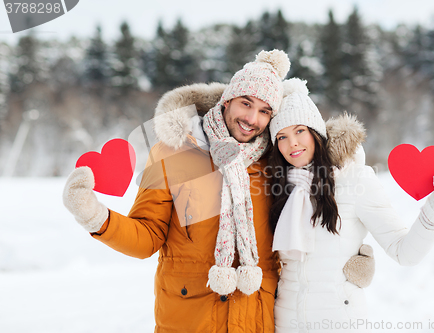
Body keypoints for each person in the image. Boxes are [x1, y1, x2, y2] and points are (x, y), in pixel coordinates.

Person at [62, 50, 373, 332]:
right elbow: (146, 237)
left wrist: (348, 261)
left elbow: (311, 222)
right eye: (246, 104)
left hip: (256, 318)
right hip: (189, 319)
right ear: (228, 100)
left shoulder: (276, 162)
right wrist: (95, 216)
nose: (252, 119)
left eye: (265, 111)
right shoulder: (172, 152)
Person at [268, 79, 434, 333]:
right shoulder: (280, 188)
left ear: (316, 132)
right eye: (282, 136)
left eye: (300, 131)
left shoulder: (355, 180)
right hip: (286, 323)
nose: (292, 142)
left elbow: (405, 252)